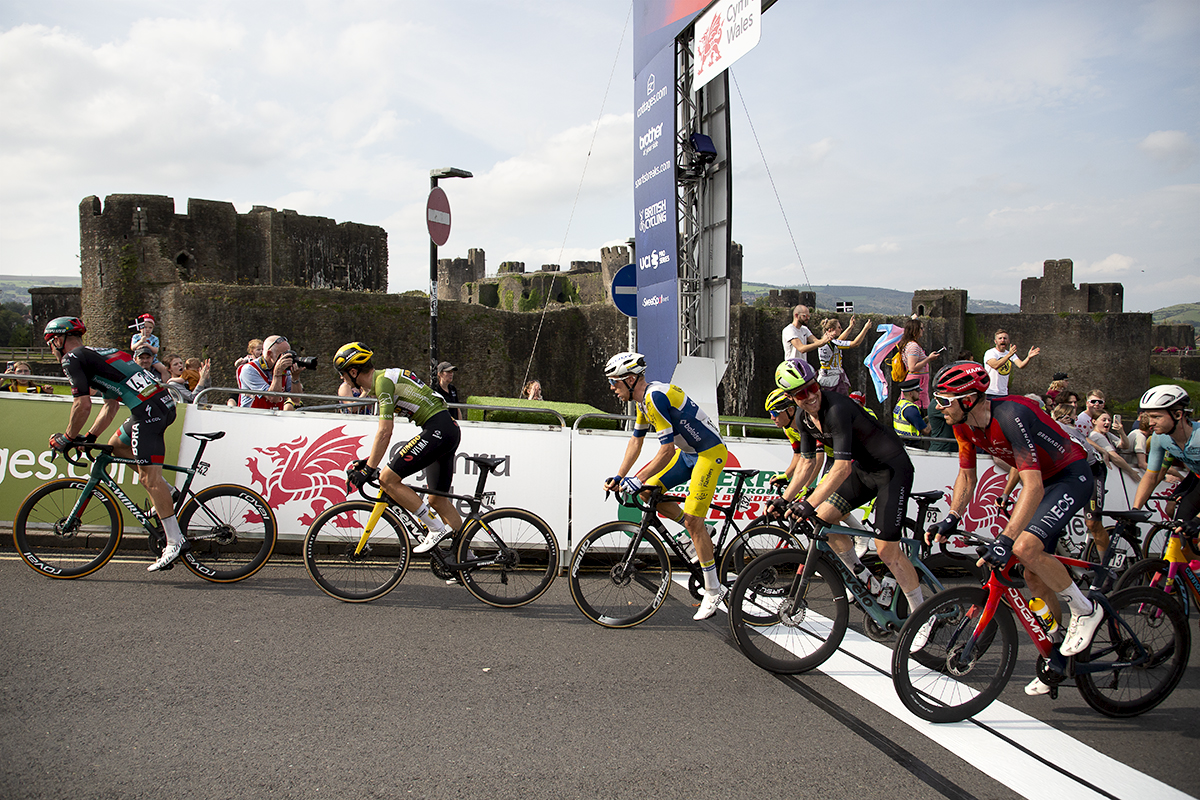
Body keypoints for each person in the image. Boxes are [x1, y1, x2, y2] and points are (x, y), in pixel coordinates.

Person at [924, 362, 1102, 695]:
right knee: (1033, 574)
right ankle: (1057, 651)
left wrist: (1005, 539)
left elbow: (1032, 487)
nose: (938, 406)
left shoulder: (1010, 416)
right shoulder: (963, 423)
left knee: (1022, 549)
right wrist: (952, 517)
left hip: (1070, 476)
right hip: (1045, 483)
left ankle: (1085, 609)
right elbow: (966, 477)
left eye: (944, 400)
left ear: (968, 399)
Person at [770, 358, 927, 616]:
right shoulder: (802, 418)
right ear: (791, 397)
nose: (810, 396)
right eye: (801, 393)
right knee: (823, 522)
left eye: (812, 388)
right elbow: (808, 462)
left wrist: (807, 503)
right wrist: (785, 499)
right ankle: (868, 582)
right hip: (865, 470)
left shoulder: (836, 410)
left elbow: (841, 469)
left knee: (887, 549)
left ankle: (920, 614)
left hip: (892, 470)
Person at [43, 317, 185, 571]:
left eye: (51, 343)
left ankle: (175, 541)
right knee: (117, 445)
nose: (52, 349)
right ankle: (169, 493)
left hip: (148, 412)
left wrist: (66, 437)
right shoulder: (101, 353)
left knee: (148, 479)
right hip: (159, 404)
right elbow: (110, 406)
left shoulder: (72, 359)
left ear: (58, 340)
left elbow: (82, 405)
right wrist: (90, 437)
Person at [602, 351, 728, 620]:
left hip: (709, 452)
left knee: (693, 520)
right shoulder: (642, 403)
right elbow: (636, 442)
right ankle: (700, 535)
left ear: (632, 379)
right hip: (690, 454)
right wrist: (621, 475)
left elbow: (666, 451)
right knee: (649, 490)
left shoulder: (654, 397)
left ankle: (714, 590)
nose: (612, 388)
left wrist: (636, 478)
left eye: (615, 382)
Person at [335, 342, 463, 554]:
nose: (342, 378)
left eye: (343, 374)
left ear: (354, 371)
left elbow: (385, 431)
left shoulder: (382, 383)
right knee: (438, 499)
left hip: (438, 429)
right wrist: (369, 462)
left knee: (387, 479)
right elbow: (384, 436)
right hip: (447, 429)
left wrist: (368, 470)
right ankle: (464, 558)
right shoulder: (385, 379)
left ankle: (435, 528)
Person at [1132, 386, 1200, 549]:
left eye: (1156, 416)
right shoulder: (1160, 438)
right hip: (1197, 480)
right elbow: (1151, 475)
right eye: (1148, 416)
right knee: (1181, 535)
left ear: (1177, 414)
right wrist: (1135, 511)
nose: (1150, 422)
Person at [237, 335, 304, 410]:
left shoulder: (284, 369)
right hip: (252, 416)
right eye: (283, 355)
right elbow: (273, 397)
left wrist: (295, 378)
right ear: (269, 354)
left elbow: (296, 399)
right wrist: (277, 374)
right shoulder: (249, 369)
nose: (286, 359)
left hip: (274, 415)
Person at [816, 316, 868, 395]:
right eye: (839, 327)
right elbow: (855, 343)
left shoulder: (822, 341)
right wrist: (865, 328)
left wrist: (850, 327)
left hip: (823, 378)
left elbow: (839, 341)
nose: (841, 329)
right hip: (835, 378)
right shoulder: (832, 342)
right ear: (831, 330)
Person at [896, 317, 941, 410]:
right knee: (918, 407)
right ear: (915, 331)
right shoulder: (913, 346)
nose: (923, 330)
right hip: (917, 382)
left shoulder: (909, 344)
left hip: (918, 381)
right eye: (921, 328)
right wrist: (929, 359)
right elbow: (912, 367)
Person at [983, 329, 1040, 397]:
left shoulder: (1009, 353)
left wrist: (1028, 357)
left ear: (1008, 341)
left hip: (1003, 393)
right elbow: (995, 365)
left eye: (1005, 338)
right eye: (1000, 338)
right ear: (995, 341)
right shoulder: (990, 353)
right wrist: (1009, 355)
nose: (1003, 340)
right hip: (990, 392)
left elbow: (1021, 365)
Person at [129, 313, 170, 382]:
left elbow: (156, 350)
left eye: (150, 328)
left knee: (164, 370)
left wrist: (147, 345)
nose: (147, 329)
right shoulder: (136, 337)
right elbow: (133, 348)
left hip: (153, 360)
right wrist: (141, 341)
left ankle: (165, 386)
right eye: (145, 327)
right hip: (138, 359)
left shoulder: (154, 338)